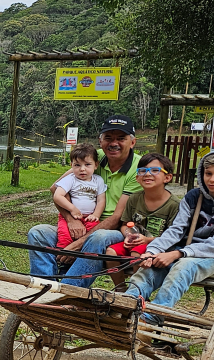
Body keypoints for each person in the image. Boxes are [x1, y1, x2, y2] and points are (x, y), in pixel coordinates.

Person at [122, 149, 214, 320]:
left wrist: (177, 253)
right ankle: (128, 304)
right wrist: (152, 251)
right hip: (185, 247)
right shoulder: (193, 197)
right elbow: (176, 230)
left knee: (183, 267)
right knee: (149, 268)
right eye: (208, 173)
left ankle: (155, 315)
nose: (212, 179)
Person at [27, 115, 143, 286]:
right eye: (108, 138)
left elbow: (118, 216)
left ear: (132, 142)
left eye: (121, 138)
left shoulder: (138, 167)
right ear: (100, 140)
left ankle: (68, 290)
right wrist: (71, 219)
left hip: (116, 230)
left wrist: (78, 244)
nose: (114, 143)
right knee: (38, 233)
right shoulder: (92, 157)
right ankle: (43, 287)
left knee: (98, 238)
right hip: (80, 222)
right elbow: (56, 188)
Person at [105, 152, 179, 289]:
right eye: (143, 170)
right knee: (110, 252)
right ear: (137, 177)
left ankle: (137, 290)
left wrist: (146, 240)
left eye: (155, 170)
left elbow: (173, 237)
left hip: (157, 245)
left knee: (136, 253)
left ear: (167, 177)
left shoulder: (174, 205)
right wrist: (128, 235)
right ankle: (120, 288)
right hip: (135, 242)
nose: (147, 174)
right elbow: (124, 224)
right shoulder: (134, 198)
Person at [52, 143, 106, 248]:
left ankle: (84, 257)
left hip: (90, 217)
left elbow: (101, 200)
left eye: (87, 164)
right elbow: (57, 196)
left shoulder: (98, 180)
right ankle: (62, 258)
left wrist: (96, 215)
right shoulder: (70, 179)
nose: (82, 169)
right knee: (65, 237)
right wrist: (72, 209)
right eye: (77, 165)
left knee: (93, 237)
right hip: (70, 216)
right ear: (71, 165)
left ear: (96, 165)